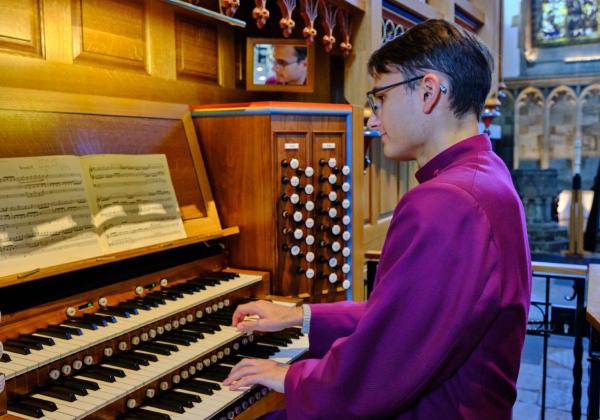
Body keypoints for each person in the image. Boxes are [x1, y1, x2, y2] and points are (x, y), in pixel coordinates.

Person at [224, 19, 532, 419]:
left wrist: (290, 377)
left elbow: (384, 365)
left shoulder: (447, 201)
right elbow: (406, 317)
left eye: (381, 97)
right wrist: (299, 315)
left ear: (428, 91)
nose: (371, 118)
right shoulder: (484, 175)